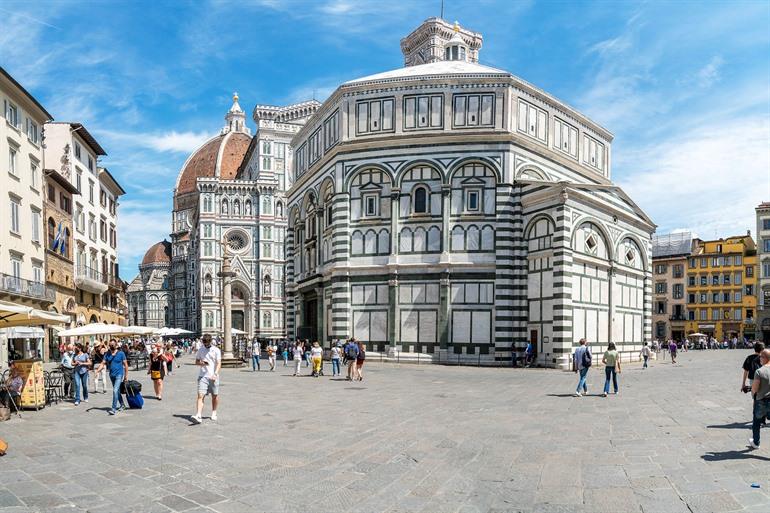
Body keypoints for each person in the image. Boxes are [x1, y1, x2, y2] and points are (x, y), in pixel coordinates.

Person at [192, 334, 222, 424]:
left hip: (213, 376)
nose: (205, 345)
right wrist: (201, 363)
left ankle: (214, 412)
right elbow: (196, 362)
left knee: (215, 395)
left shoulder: (216, 350)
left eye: (206, 343)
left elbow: (219, 363)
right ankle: (198, 415)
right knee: (200, 395)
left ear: (210, 341)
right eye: (204, 343)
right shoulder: (201, 350)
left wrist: (215, 374)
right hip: (203, 376)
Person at [96, 340, 128, 415]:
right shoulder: (107, 354)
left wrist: (126, 376)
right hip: (112, 375)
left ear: (116, 345)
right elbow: (103, 363)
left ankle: (113, 408)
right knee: (117, 391)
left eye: (112, 345)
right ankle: (122, 405)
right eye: (110, 345)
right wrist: (97, 371)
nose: (111, 346)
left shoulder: (121, 353)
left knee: (115, 390)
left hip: (119, 374)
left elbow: (125, 365)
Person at [749, 349, 770, 449]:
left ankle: (756, 442)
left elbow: (755, 388)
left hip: (761, 400)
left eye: (761, 357)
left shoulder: (759, 371)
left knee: (756, 423)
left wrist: (753, 393)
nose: (759, 359)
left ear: (765, 358)